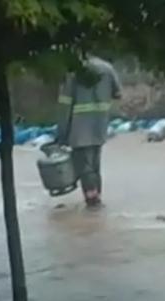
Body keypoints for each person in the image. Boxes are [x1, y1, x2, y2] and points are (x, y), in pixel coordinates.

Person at [57, 55, 122, 208]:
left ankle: (92, 201)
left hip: (78, 126)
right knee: (94, 165)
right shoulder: (108, 68)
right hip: (100, 124)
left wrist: (61, 134)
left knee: (84, 167)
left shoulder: (74, 70)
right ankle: (97, 198)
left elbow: (65, 105)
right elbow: (118, 93)